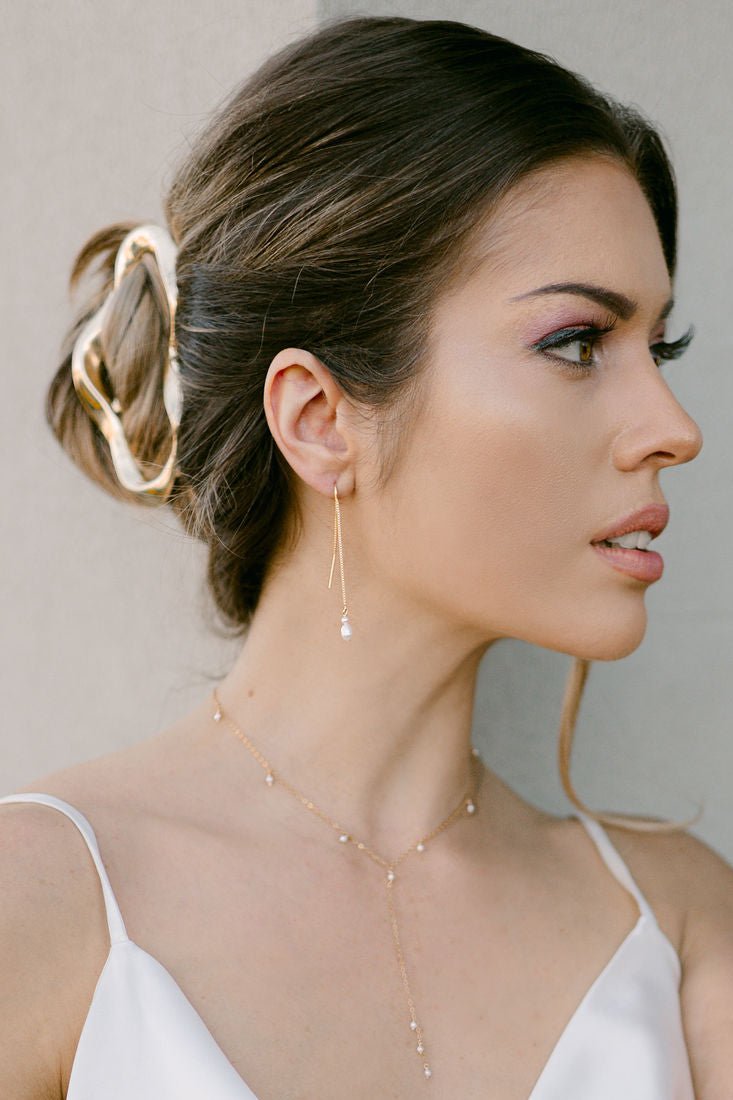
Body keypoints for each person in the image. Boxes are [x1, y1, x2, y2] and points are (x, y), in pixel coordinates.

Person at [1, 14, 731, 1099]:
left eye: (655, 348)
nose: (674, 426)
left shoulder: (683, 924)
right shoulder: (42, 905)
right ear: (319, 417)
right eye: (576, 342)